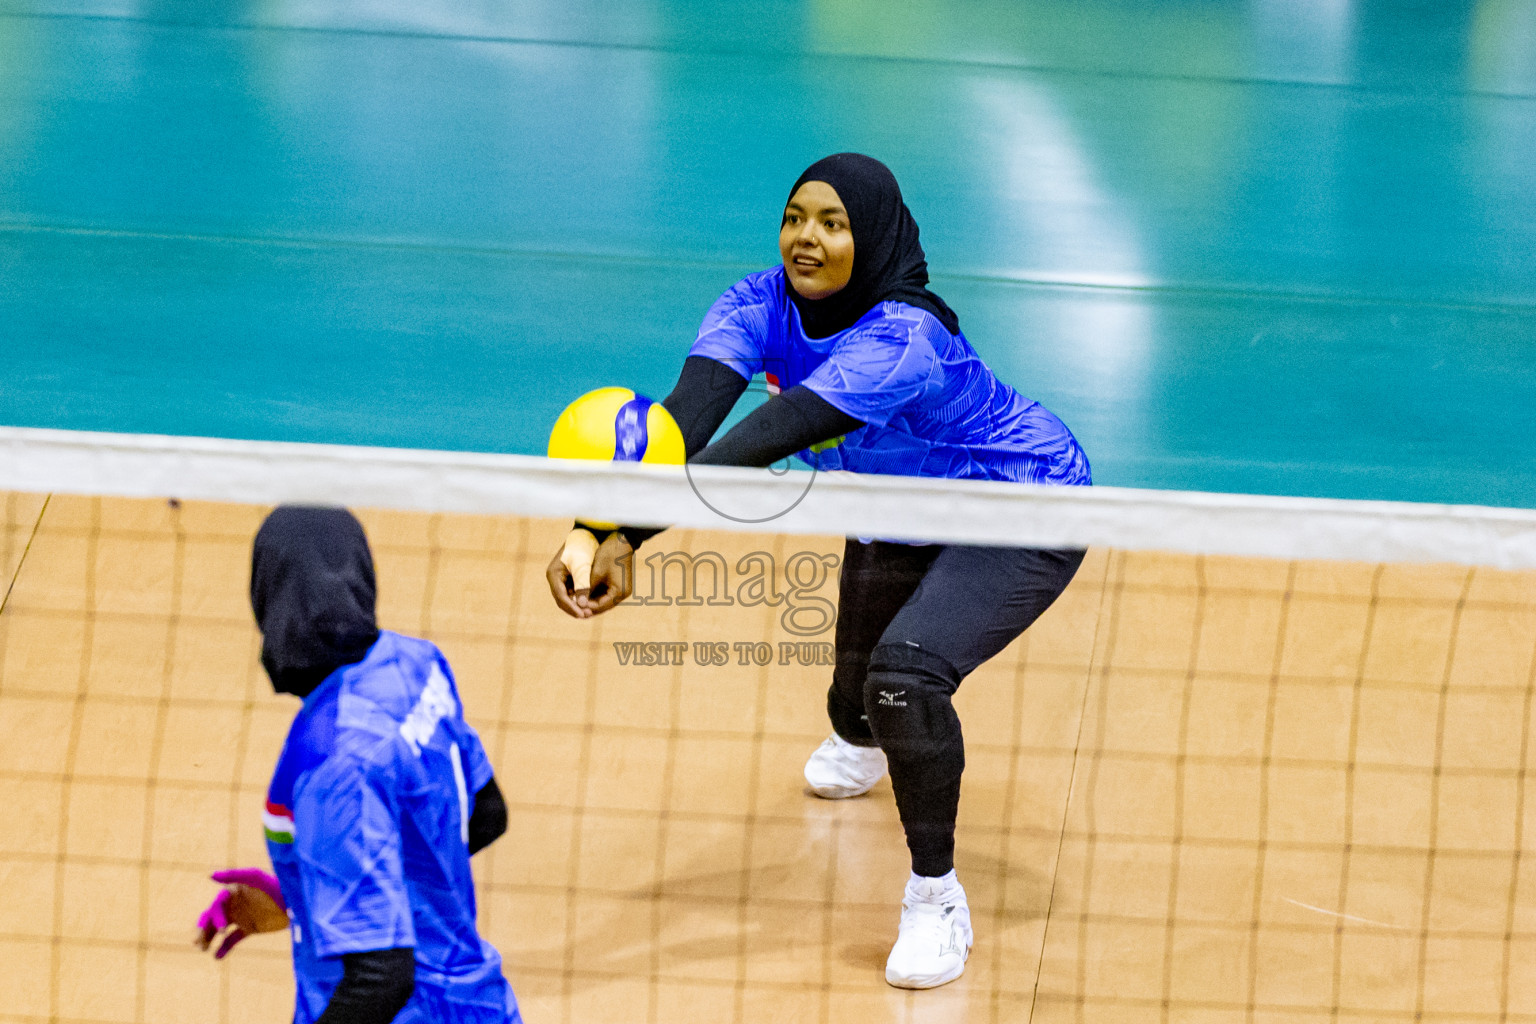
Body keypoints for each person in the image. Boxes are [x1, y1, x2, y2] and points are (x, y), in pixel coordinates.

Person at [546, 153, 1091, 990]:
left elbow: (767, 438)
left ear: (869, 237)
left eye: (832, 224)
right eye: (796, 216)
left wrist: (633, 536)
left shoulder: (903, 339)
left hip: (1021, 503)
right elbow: (686, 424)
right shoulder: (754, 303)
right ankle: (868, 737)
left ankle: (935, 898)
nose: (807, 236)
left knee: (904, 679)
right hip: (896, 511)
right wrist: (596, 530)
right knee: (855, 702)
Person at [196, 506, 522, 1024]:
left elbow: (381, 978)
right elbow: (485, 813)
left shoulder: (332, 762)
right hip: (479, 1003)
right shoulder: (414, 663)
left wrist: (349, 903)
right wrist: (316, 898)